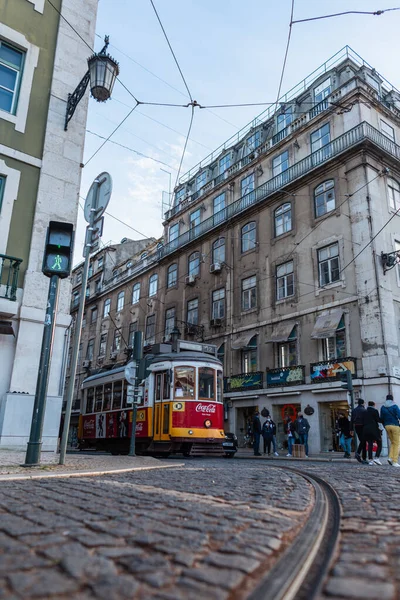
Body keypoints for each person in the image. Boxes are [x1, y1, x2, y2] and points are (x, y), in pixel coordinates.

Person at [380, 394, 400, 467]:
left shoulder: (383, 407)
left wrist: (385, 425)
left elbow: (381, 418)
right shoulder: (394, 406)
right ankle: (395, 461)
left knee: (393, 442)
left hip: (387, 426)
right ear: (392, 399)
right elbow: (399, 415)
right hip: (395, 425)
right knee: (397, 443)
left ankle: (390, 458)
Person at [362, 401, 382, 465]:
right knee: (379, 443)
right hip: (374, 429)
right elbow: (378, 420)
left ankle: (370, 460)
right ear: (374, 405)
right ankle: (376, 457)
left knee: (370, 444)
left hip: (366, 430)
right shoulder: (375, 411)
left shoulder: (364, 412)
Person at [351, 398, 367, 463]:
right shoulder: (364, 410)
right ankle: (361, 455)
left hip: (356, 426)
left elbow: (351, 420)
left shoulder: (354, 410)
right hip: (363, 426)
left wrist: (351, 429)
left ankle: (362, 456)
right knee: (363, 441)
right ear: (363, 403)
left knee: (362, 441)